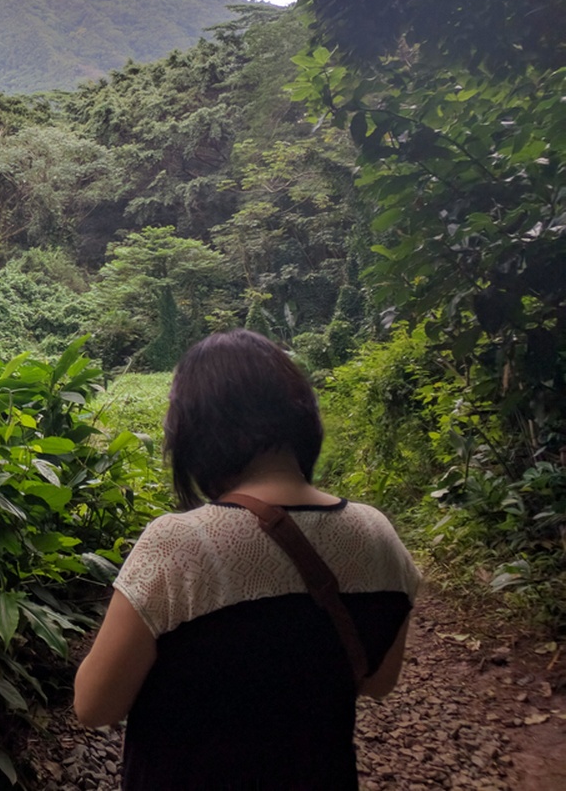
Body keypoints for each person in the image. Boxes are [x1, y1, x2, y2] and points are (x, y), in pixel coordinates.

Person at [74, 329, 420, 790]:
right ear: (303, 421)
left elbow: (94, 705)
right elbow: (379, 682)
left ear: (195, 432)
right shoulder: (378, 534)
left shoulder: (179, 542)